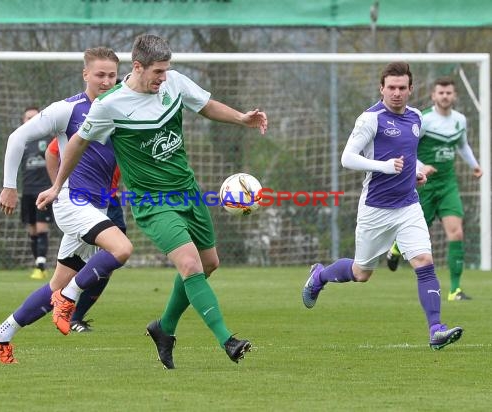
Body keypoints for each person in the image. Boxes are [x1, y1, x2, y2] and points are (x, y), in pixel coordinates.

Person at [37, 34, 268, 368]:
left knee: (208, 264)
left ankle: (164, 328)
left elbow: (205, 105)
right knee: (189, 264)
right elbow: (74, 144)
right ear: (137, 67)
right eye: (157, 71)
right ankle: (227, 339)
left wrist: (242, 118)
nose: (163, 77)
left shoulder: (173, 83)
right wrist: (58, 184)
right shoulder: (110, 105)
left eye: (166, 70)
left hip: (187, 191)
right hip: (152, 201)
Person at [0, 46, 132, 364]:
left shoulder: (121, 110)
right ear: (85, 74)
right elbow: (17, 138)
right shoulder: (68, 110)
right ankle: (70, 297)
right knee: (120, 249)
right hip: (72, 203)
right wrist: (10, 186)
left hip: (96, 207)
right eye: (99, 75)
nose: (106, 81)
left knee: (55, 285)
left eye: (111, 75)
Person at [302, 62, 463, 351]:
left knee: (424, 262)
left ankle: (436, 329)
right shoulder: (370, 119)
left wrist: (416, 171)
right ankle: (320, 276)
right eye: (391, 87)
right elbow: (347, 158)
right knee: (362, 273)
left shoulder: (415, 117)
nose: (397, 93)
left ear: (411, 89)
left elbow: (407, 155)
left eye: (402, 88)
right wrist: (384, 167)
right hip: (376, 208)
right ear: (382, 88)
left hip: (408, 206)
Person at [386, 77, 482, 301]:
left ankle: (455, 290)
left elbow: (462, 145)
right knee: (419, 230)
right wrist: (420, 167)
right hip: (425, 185)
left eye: (449, 93)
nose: (445, 96)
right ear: (433, 95)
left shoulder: (460, 120)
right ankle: (396, 249)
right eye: (441, 93)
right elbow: (407, 147)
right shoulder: (424, 120)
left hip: (448, 184)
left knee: (456, 232)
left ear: (454, 96)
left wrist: (474, 165)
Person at [45, 137, 126, 332]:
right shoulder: (87, 123)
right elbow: (51, 152)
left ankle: (75, 315)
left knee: (111, 261)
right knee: (80, 264)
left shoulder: (123, 124)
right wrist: (57, 186)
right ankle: (66, 306)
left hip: (109, 201)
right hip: (81, 201)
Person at [19, 106, 54, 280]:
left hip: (44, 191)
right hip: (27, 192)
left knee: (41, 228)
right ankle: (38, 265)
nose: (31, 120)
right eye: (28, 118)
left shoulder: (48, 139)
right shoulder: (21, 141)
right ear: (23, 121)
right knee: (32, 230)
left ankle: (41, 265)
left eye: (35, 117)